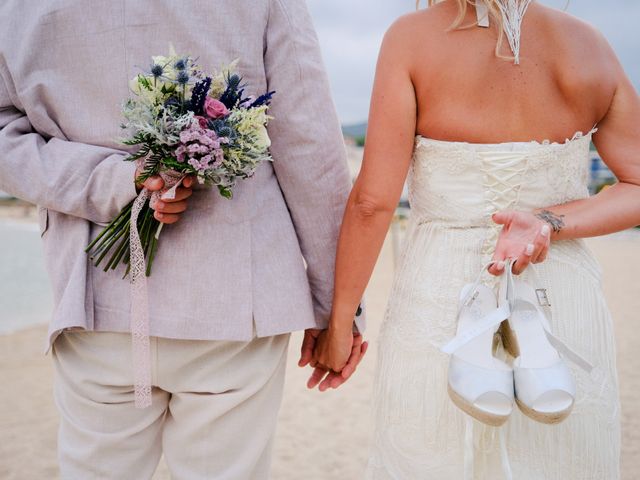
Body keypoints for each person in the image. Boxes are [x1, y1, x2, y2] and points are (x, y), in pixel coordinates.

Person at [0, 0, 365, 478]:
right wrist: (337, 309)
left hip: (94, 297)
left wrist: (115, 179)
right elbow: (310, 148)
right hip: (235, 305)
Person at [312, 0, 639, 478]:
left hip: (441, 297)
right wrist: (546, 221)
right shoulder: (589, 43)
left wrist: (340, 324)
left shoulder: (412, 38)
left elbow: (373, 203)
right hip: (557, 298)